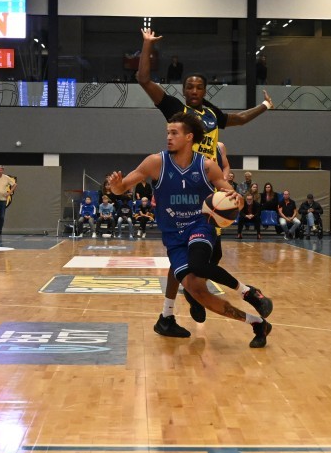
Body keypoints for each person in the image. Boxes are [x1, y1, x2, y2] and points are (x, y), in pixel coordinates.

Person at [137, 27, 274, 335]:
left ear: (205, 90)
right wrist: (147, 46)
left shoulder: (212, 113)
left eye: (199, 87)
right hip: (181, 184)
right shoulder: (176, 109)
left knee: (208, 256)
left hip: (208, 187)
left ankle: (182, 302)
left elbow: (238, 119)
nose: (194, 90)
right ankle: (191, 298)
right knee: (190, 257)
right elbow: (144, 79)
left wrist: (265, 106)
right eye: (190, 86)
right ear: (184, 90)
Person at [107, 112, 273, 347]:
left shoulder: (207, 166)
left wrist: (236, 199)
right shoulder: (155, 163)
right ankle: (257, 324)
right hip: (173, 236)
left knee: (198, 264)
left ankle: (248, 292)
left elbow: (231, 194)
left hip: (199, 225)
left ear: (189, 137)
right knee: (198, 292)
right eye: (167, 133)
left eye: (174, 133)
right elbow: (122, 187)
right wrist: (115, 187)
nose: (168, 137)